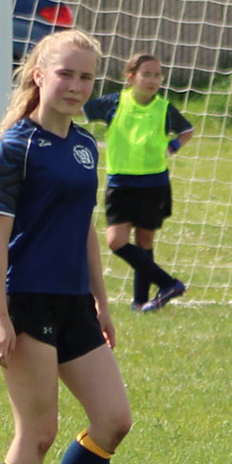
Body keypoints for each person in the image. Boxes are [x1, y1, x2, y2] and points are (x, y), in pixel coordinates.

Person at [0, 30, 133, 464]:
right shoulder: (14, 147)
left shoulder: (86, 146)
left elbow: (84, 227)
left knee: (114, 420)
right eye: (65, 73)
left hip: (74, 304)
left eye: (86, 76)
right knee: (39, 431)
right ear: (39, 74)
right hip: (25, 302)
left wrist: (102, 301)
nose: (75, 85)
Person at [83, 53, 194, 314]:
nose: (153, 80)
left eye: (157, 75)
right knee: (116, 241)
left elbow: (187, 130)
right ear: (131, 77)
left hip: (154, 184)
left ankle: (140, 302)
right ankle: (169, 284)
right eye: (147, 74)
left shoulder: (164, 108)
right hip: (121, 183)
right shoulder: (114, 103)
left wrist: (174, 145)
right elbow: (81, 109)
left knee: (144, 242)